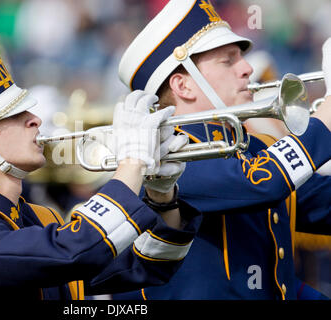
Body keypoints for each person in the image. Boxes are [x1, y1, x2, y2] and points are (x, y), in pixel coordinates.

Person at [0, 49, 202, 300]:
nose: (35, 119)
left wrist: (161, 194)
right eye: (11, 115)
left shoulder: (31, 218)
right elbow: (74, 252)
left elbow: (148, 265)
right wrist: (133, 162)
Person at [115, 0, 331, 300]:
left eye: (240, 57)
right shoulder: (163, 153)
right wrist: (328, 115)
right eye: (228, 61)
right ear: (183, 86)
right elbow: (262, 182)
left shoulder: (252, 147)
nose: (248, 68)